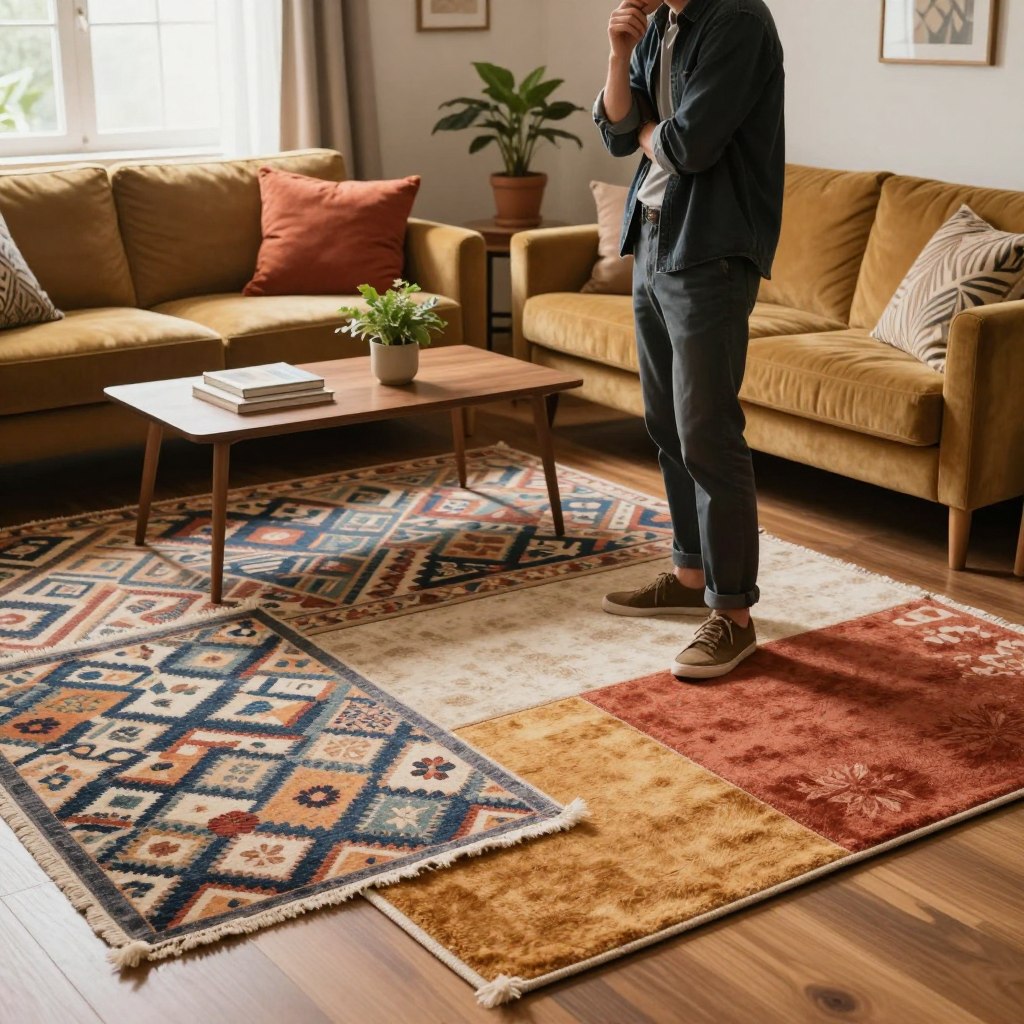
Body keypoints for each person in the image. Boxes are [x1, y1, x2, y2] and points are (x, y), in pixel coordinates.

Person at [594, 0, 785, 679]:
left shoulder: (737, 21)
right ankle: (687, 573)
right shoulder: (660, 25)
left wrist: (649, 127)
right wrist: (619, 55)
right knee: (665, 421)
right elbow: (618, 132)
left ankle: (733, 616)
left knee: (707, 429)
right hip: (652, 239)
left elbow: (689, 146)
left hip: (711, 250)